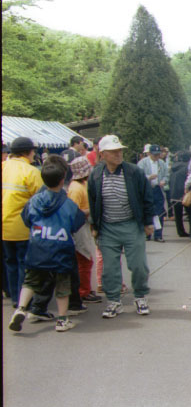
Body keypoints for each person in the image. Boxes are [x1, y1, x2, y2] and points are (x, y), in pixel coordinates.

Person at [8, 155, 86, 333]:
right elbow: (76, 223)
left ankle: (21, 309)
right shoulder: (68, 204)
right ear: (62, 180)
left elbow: (26, 219)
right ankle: (62, 319)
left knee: (31, 281)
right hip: (61, 250)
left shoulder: (34, 201)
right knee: (62, 286)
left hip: (37, 247)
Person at [87, 135, 154, 318]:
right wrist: (94, 225)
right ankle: (114, 301)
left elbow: (147, 197)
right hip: (107, 227)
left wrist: (148, 222)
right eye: (113, 151)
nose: (118, 154)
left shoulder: (134, 172)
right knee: (110, 268)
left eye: (120, 150)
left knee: (138, 265)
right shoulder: (96, 174)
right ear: (102, 155)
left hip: (131, 225)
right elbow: (93, 200)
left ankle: (140, 296)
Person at [3, 137, 45, 308]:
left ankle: (14, 297)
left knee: (10, 263)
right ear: (27, 152)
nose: (34, 154)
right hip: (22, 228)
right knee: (24, 264)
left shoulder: (3, 166)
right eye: (33, 151)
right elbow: (41, 201)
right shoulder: (31, 171)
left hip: (4, 227)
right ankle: (24, 301)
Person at [68, 157, 102, 303]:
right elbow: (74, 212)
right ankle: (84, 291)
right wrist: (91, 210)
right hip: (79, 228)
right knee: (84, 260)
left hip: (84, 227)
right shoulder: (76, 188)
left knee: (86, 260)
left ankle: (86, 289)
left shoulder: (81, 185)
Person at [138, 144, 169, 242]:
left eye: (158, 154)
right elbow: (138, 176)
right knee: (147, 211)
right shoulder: (142, 163)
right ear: (149, 154)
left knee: (159, 212)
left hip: (157, 189)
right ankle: (147, 233)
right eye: (154, 155)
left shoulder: (162, 163)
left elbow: (167, 175)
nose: (157, 157)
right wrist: (148, 177)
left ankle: (158, 235)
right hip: (147, 189)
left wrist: (164, 181)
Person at [169, 151, 191, 238]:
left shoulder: (173, 167)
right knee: (190, 213)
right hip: (183, 192)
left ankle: (180, 231)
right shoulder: (187, 167)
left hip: (174, 192)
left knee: (178, 214)